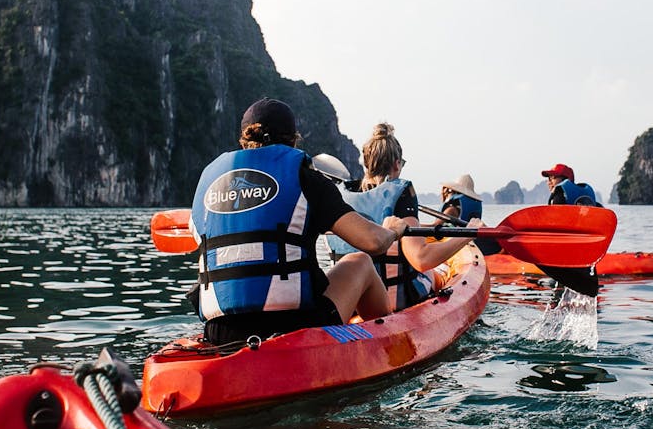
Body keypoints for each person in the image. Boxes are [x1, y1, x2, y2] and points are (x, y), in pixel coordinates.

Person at [191, 98, 410, 345]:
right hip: (293, 326)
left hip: (220, 332)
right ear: (293, 138)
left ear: (244, 139)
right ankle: (385, 343)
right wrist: (392, 229)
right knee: (359, 262)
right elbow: (373, 242)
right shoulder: (306, 178)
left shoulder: (209, 185)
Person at [327, 124, 481, 310]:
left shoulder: (339, 194)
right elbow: (421, 259)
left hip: (350, 304)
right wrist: (468, 235)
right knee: (437, 273)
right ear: (397, 164)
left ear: (366, 164)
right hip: (396, 303)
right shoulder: (400, 193)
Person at [440, 173, 501, 256]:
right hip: (472, 240)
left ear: (452, 191)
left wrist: (417, 226)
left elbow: (435, 225)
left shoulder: (452, 209)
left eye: (448, 190)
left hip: (462, 243)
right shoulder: (469, 203)